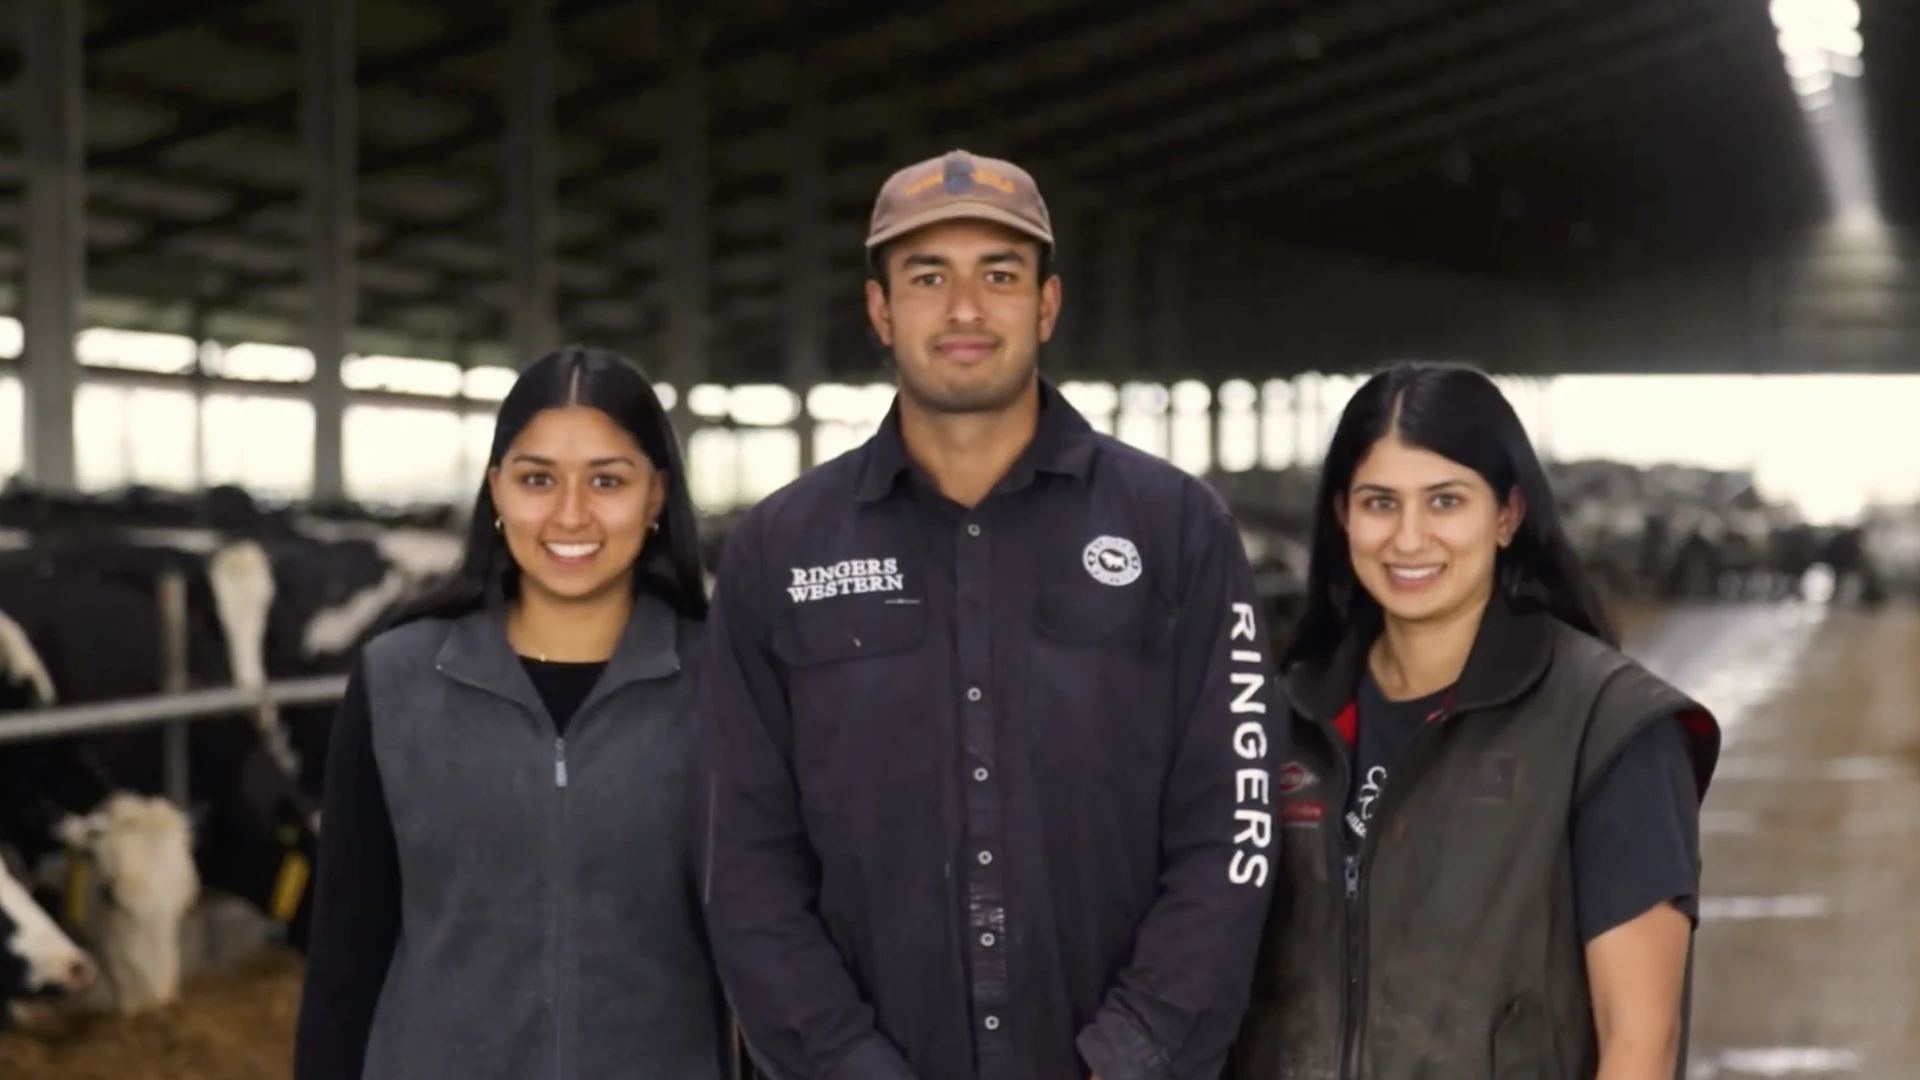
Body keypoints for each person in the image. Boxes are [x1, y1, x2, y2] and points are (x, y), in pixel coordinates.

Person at [693, 148, 1279, 1080]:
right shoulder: (779, 552)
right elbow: (744, 858)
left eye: (998, 275)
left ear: (1046, 304)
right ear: (880, 309)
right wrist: (842, 1060)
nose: (964, 308)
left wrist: (1139, 1051)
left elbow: (1235, 825)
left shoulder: (1178, 530)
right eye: (928, 277)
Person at [1229, 362, 1721, 1080]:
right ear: (1342, 515)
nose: (1408, 538)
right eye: (1379, 502)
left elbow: (1639, 1041)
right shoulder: (1275, 721)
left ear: (1507, 514)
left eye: (1446, 501)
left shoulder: (1609, 729)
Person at [292, 345, 730, 1080]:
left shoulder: (724, 685)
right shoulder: (399, 680)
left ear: (656, 495)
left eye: (607, 480)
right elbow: (344, 954)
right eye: (537, 479)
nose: (570, 513)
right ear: (495, 489)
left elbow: (776, 951)